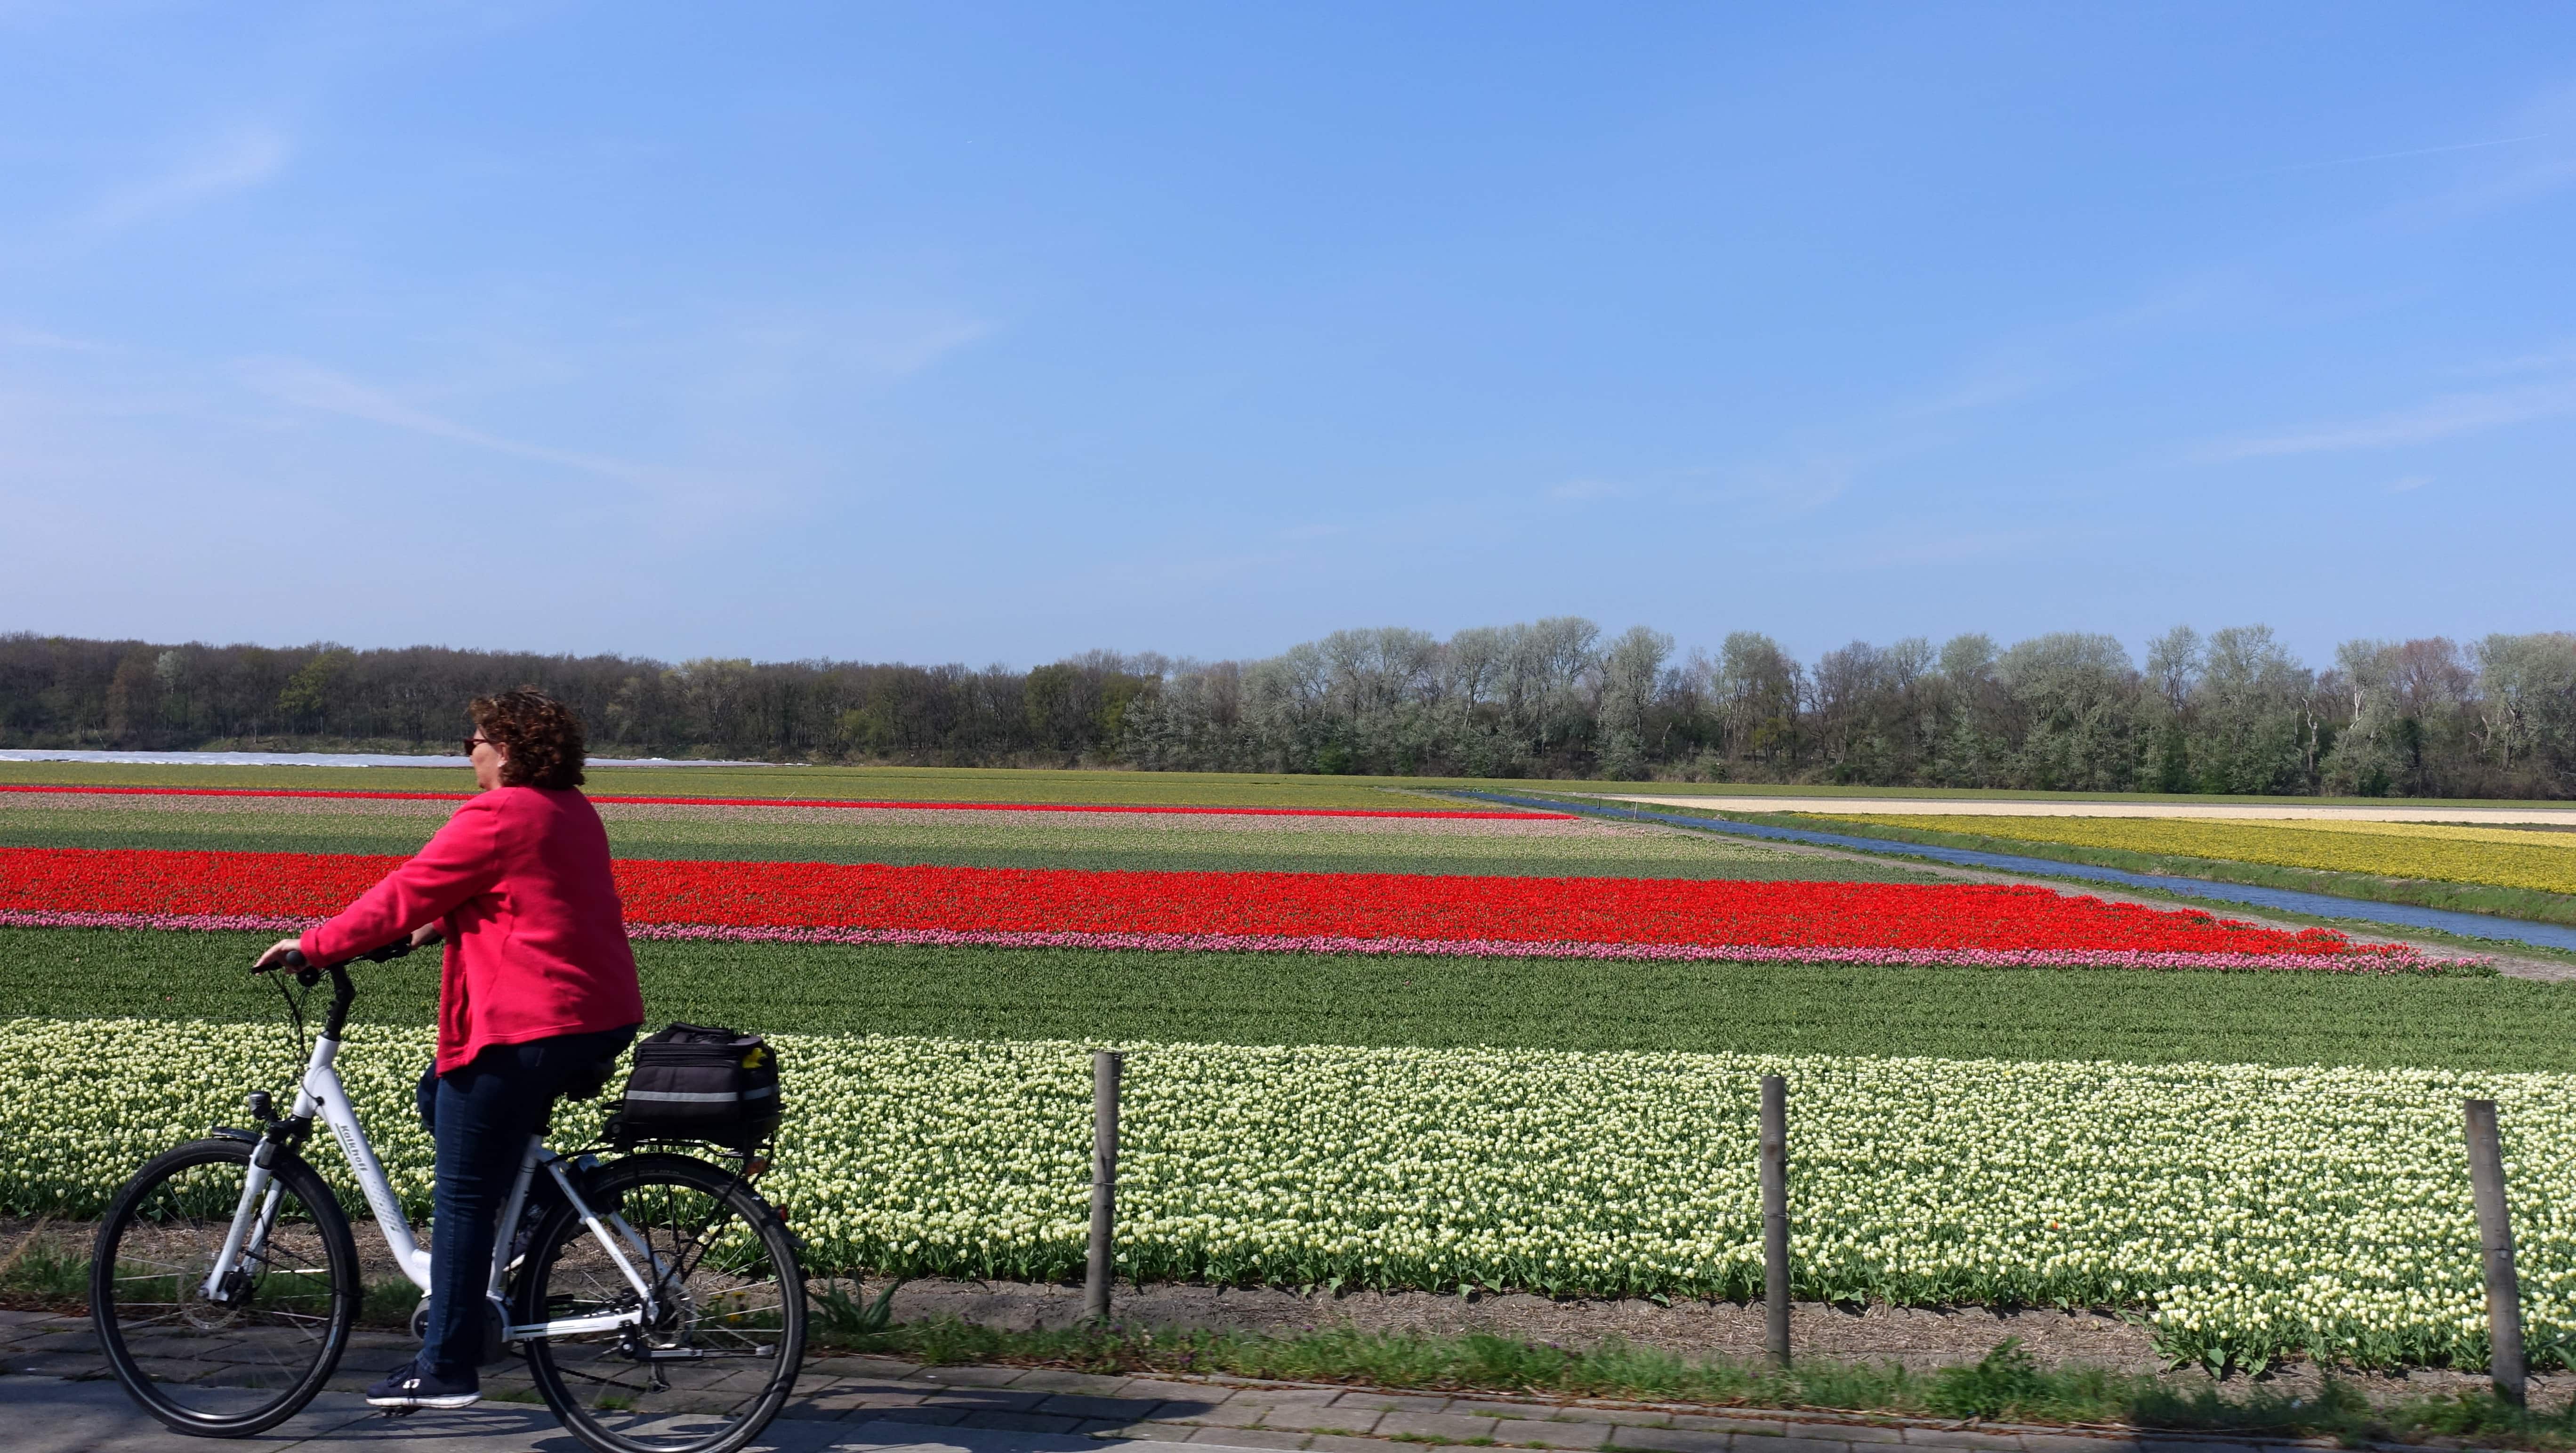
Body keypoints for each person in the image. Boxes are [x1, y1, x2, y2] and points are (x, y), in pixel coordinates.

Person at [256, 688, 644, 1412]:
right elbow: (531, 895)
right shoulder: (571, 811)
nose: (466, 751)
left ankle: (446, 1365)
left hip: (530, 1025)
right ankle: (530, 1215)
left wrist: (311, 944)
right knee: (440, 1093)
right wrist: (437, 930)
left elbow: (403, 892)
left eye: (474, 740)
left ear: (509, 748)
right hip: (597, 1016)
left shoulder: (497, 814)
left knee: (462, 1193)